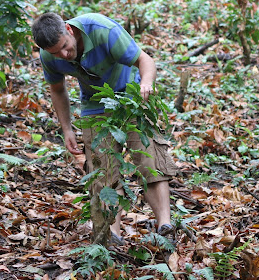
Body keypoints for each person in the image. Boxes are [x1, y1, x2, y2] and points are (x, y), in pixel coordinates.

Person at [31, 12, 177, 245]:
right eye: (56, 53)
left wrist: (146, 84)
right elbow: (57, 90)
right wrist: (67, 129)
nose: (63, 55)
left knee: (150, 160)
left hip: (132, 95)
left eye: (65, 47)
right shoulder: (48, 55)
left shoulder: (102, 30)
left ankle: (165, 226)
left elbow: (145, 60)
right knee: (103, 172)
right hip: (95, 104)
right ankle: (112, 237)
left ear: (68, 30)